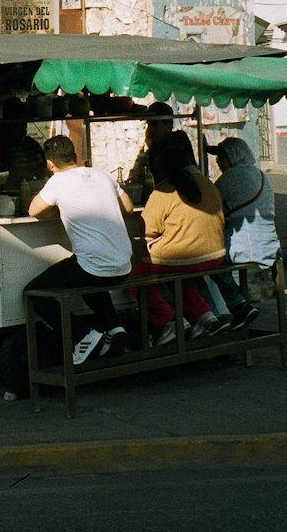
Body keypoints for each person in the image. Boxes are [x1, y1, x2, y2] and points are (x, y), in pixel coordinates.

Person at [26, 135, 133, 364]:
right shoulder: (102, 174)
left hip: (93, 266)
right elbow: (129, 207)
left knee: (34, 293)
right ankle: (116, 330)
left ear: (50, 164)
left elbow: (33, 210)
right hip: (123, 263)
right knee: (89, 278)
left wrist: (61, 209)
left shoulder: (57, 181)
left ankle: (84, 336)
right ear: (74, 155)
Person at [134, 132, 225, 345]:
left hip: (185, 256)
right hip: (216, 253)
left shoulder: (163, 191)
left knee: (130, 276)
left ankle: (168, 321)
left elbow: (147, 230)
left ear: (161, 168)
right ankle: (205, 316)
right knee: (177, 274)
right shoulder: (206, 183)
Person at [207, 136, 280, 328]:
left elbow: (211, 208)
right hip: (269, 244)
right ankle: (238, 305)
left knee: (210, 261)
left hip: (246, 244)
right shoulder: (260, 174)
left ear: (233, 156)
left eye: (221, 158)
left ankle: (236, 304)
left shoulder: (230, 178)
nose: (218, 162)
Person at [123, 101, 175, 204]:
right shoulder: (146, 156)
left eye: (155, 124)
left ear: (167, 125)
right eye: (149, 124)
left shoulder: (176, 153)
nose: (150, 129)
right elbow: (134, 181)